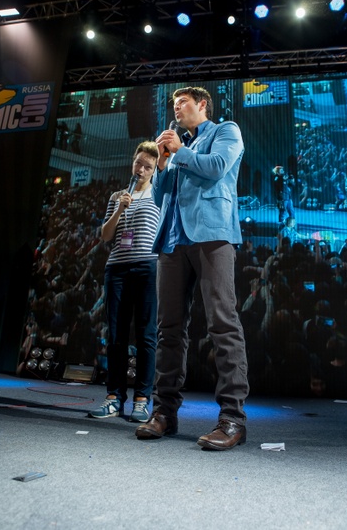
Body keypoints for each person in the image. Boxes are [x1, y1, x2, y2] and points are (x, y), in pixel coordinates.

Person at [135, 86, 249, 450]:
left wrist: (180, 152)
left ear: (202, 104)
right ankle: (163, 413)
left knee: (222, 323)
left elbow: (216, 168)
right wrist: (162, 164)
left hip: (213, 235)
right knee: (168, 329)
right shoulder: (177, 147)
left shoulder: (225, 131)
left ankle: (232, 419)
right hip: (172, 240)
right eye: (173, 104)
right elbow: (160, 195)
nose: (176, 108)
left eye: (182, 102)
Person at [88, 141, 160, 423]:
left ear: (155, 170)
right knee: (117, 335)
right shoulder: (118, 195)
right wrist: (119, 209)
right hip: (117, 268)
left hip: (147, 267)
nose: (140, 169)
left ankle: (142, 400)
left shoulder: (160, 194)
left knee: (146, 335)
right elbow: (106, 236)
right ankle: (114, 397)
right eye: (138, 163)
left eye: (147, 166)